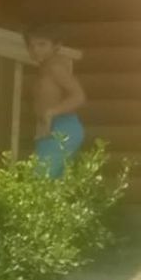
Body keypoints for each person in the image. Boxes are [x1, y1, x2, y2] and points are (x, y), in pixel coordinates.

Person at [26, 24, 86, 178]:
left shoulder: (56, 67)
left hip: (63, 127)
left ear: (56, 46)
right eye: (31, 45)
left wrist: (51, 112)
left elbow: (79, 96)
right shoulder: (44, 68)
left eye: (42, 44)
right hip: (49, 128)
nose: (35, 50)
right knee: (52, 186)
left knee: (41, 181)